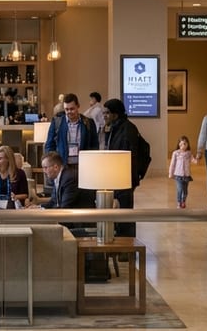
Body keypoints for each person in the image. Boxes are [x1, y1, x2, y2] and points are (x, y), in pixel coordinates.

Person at [101, 98, 143, 237]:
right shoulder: (114, 128)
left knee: (125, 214)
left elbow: (129, 157)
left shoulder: (127, 129)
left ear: (116, 114)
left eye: (107, 113)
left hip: (125, 178)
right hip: (116, 176)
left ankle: (127, 247)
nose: (104, 116)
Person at [44, 92, 99, 168]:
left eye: (72, 109)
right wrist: (52, 164)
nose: (69, 112)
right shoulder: (57, 122)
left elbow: (95, 146)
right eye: (66, 109)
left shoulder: (88, 123)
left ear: (78, 106)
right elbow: (49, 145)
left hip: (83, 166)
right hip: (62, 167)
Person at [169, 135, 194, 209]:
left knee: (185, 191)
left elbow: (193, 160)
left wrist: (198, 158)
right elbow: (172, 164)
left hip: (186, 176)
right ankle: (179, 202)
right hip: (178, 175)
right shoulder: (176, 153)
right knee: (179, 189)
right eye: (181, 144)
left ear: (187, 144)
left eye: (185, 144)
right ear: (179, 144)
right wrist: (171, 173)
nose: (183, 145)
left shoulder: (189, 153)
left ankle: (183, 201)